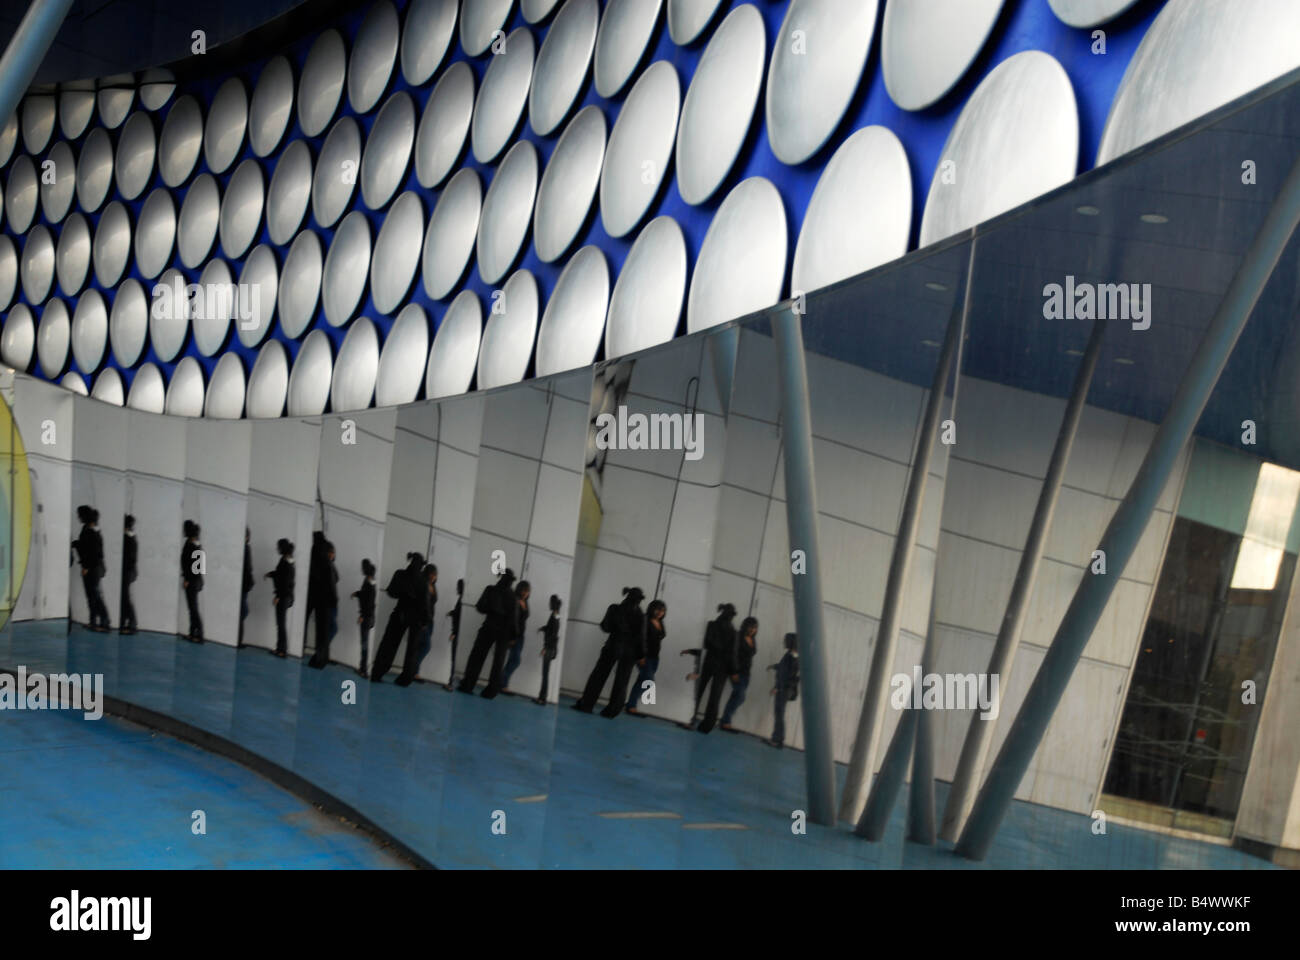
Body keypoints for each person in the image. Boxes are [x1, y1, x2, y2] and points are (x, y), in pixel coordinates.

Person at [572, 587, 646, 718]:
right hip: (630, 652)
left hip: (613, 646)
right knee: (622, 681)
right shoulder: (641, 616)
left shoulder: (614, 609)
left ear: (627, 596)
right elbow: (641, 637)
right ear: (639, 600)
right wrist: (641, 655)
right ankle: (612, 711)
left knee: (599, 675)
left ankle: (586, 704)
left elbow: (605, 627)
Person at [456, 569, 517, 696]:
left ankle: (468, 685)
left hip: (489, 626)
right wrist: (514, 636)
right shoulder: (512, 597)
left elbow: (480, 607)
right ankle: (491, 691)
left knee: (477, 657)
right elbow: (513, 619)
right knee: (498, 662)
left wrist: (492, 608)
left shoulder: (491, 590)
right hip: (504, 632)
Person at [370, 552, 425, 682]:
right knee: (412, 650)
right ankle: (406, 679)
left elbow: (391, 592)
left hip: (400, 613)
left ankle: (377, 672)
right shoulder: (422, 580)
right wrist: (425, 620)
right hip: (416, 618)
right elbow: (425, 602)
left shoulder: (400, 574)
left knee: (389, 644)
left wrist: (404, 593)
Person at [695, 603, 738, 734]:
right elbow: (733, 654)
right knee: (715, 697)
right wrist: (733, 671)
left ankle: (689, 717)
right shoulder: (733, 632)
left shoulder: (712, 625)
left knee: (698, 691)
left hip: (710, 662)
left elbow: (707, 643)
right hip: (723, 668)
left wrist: (717, 649)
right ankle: (707, 725)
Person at [395, 563, 438, 686]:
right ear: (429, 574)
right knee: (425, 646)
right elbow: (423, 604)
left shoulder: (433, 586)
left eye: (435, 575)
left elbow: (432, 603)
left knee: (420, 646)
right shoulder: (423, 584)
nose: (434, 577)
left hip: (430, 621)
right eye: (433, 574)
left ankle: (414, 671)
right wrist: (424, 621)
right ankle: (412, 671)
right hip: (423, 620)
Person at [72, 505, 109, 632]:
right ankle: (93, 622)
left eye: (79, 515)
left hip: (92, 568)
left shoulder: (92, 531)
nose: (78, 517)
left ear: (84, 516)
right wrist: (75, 544)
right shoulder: (87, 529)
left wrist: (86, 567)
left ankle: (105, 623)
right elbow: (85, 546)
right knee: (92, 596)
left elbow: (94, 553)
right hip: (92, 567)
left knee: (95, 596)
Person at [626, 599, 666, 716]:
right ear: (652, 609)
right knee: (649, 681)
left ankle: (631, 706)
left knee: (641, 681)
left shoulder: (660, 622)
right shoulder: (645, 620)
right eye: (658, 609)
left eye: (663, 610)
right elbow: (640, 638)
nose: (660, 612)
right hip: (644, 656)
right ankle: (631, 705)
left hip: (655, 658)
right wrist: (641, 656)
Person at [720, 616, 759, 732]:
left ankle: (725, 721)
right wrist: (733, 672)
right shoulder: (738, 636)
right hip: (737, 671)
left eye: (755, 628)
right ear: (745, 626)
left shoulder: (753, 640)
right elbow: (733, 654)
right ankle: (725, 721)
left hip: (747, 673)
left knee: (737, 697)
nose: (753, 630)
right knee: (740, 696)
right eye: (751, 627)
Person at [308, 541, 340, 668]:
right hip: (328, 604)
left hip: (329, 604)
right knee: (329, 631)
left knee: (330, 630)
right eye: (331, 552)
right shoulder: (325, 566)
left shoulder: (329, 565)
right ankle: (319, 655)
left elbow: (336, 578)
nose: (333, 555)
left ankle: (321, 655)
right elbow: (332, 583)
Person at [767, 633, 799, 749]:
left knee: (779, 714)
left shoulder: (792, 657)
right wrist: (774, 666)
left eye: (786, 640)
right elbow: (782, 668)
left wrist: (777, 688)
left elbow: (785, 675)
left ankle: (777, 740)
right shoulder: (793, 656)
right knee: (779, 714)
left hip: (783, 690)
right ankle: (777, 739)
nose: (784, 642)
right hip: (785, 689)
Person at [499, 580, 531, 692]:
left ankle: (503, 684)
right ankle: (502, 683)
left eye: (528, 591)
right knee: (515, 660)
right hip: (514, 635)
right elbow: (513, 620)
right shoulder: (515, 601)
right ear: (520, 590)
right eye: (525, 590)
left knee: (512, 660)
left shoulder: (525, 602)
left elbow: (524, 617)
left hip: (521, 636)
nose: (526, 593)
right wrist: (512, 637)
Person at [265, 538, 295, 657]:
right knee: (281, 624)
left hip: (284, 596)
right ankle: (281, 649)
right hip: (288, 596)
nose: (277, 549)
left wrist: (278, 595)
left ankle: (282, 650)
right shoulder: (290, 559)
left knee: (281, 624)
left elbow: (285, 581)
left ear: (282, 548)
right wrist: (271, 574)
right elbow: (282, 575)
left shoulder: (285, 560)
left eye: (278, 547)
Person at [303, 530, 329, 656]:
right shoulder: (326, 549)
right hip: (324, 594)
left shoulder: (314, 549)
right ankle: (320, 653)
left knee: (305, 620)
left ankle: (301, 646)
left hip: (312, 590)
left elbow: (312, 569)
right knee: (321, 626)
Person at [352, 559, 376, 678]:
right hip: (370, 617)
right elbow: (367, 597)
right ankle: (363, 668)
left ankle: (363, 670)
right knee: (364, 643)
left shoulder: (368, 583)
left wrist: (362, 616)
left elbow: (368, 603)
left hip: (366, 617)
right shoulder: (371, 582)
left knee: (364, 644)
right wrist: (357, 593)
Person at [180, 519, 204, 643]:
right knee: (192, 608)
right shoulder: (195, 544)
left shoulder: (191, 545)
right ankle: (192, 633)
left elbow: (194, 567)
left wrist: (187, 579)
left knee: (193, 608)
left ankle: (199, 634)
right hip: (196, 580)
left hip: (192, 581)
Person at [535, 594, 561, 705]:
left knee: (545, 674)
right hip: (552, 648)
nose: (549, 604)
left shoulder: (554, 616)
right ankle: (542, 697)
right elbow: (551, 630)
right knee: (545, 674)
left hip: (549, 648)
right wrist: (543, 628)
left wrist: (545, 647)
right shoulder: (556, 615)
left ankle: (542, 698)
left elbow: (553, 634)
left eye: (550, 602)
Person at [444, 578, 464, 691]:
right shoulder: (462, 600)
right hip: (458, 632)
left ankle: (451, 682)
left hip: (457, 633)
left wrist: (454, 633)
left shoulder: (461, 601)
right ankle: (452, 681)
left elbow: (458, 617)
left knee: (454, 659)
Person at [119, 514, 137, 635]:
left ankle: (131, 622)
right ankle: (127, 621)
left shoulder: (127, 539)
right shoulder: (132, 538)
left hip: (127, 572)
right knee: (125, 597)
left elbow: (129, 559)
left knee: (125, 597)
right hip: (129, 572)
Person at [238, 528, 253, 647]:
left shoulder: (245, 549)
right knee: (242, 612)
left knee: (242, 612)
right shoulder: (246, 549)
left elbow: (247, 569)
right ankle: (238, 640)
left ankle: (238, 640)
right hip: (245, 584)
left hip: (244, 585)